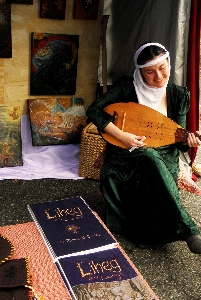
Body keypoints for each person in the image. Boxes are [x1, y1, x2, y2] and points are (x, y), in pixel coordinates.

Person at [86, 42, 201, 254]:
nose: (158, 76)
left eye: (162, 68)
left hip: (165, 153)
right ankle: (191, 232)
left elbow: (178, 138)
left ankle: (146, 235)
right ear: (140, 72)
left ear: (168, 63)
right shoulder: (126, 88)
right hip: (127, 154)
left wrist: (189, 141)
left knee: (153, 161)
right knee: (147, 156)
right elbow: (93, 110)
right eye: (149, 72)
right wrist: (123, 136)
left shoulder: (178, 95)